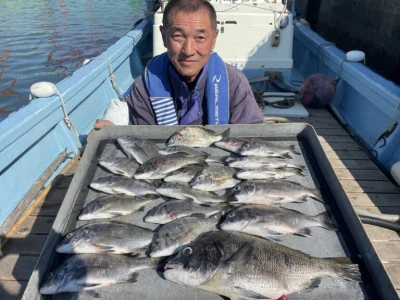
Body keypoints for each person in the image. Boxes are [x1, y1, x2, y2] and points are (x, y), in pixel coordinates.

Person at [94, 0, 264, 130]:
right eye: (178, 37)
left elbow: (252, 139)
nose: (188, 50)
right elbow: (145, 146)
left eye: (200, 38)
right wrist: (113, 135)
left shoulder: (234, 84)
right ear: (163, 36)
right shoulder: (144, 88)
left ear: (214, 39)